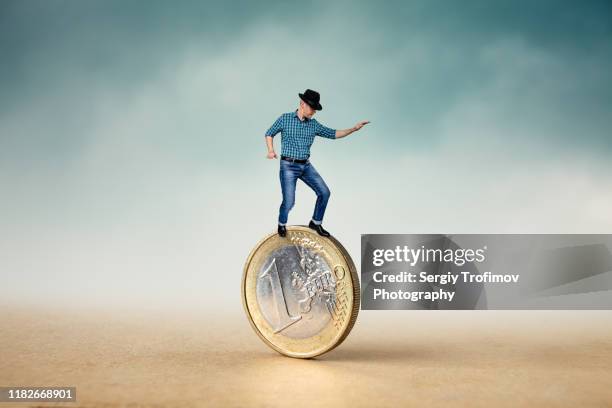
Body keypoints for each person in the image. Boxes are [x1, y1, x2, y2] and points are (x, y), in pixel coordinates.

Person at [264, 89, 369, 237]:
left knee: (324, 192)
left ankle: (316, 222)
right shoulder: (285, 119)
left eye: (315, 109)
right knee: (289, 201)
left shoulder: (314, 125)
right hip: (288, 166)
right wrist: (270, 150)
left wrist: (354, 129)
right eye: (311, 107)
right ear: (302, 104)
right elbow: (269, 133)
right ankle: (281, 224)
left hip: (305, 166)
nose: (313, 111)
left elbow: (334, 134)